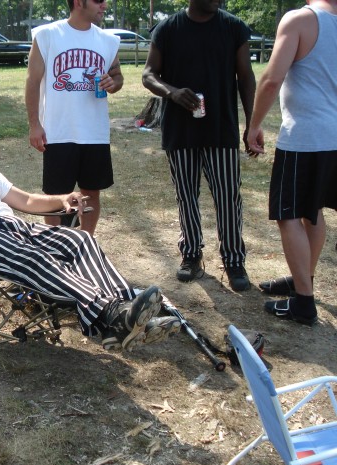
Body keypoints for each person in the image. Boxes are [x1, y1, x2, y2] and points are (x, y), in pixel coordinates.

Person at [0, 113, 181, 352]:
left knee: (79, 239)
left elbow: (28, 201)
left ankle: (126, 312)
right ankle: (111, 315)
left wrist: (62, 200)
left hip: (15, 227)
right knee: (35, 258)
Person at [141, 0, 256, 292]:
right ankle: (191, 254)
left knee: (228, 195)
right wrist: (172, 92)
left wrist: (252, 125)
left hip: (221, 127)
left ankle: (233, 259)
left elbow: (245, 77)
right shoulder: (168, 29)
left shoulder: (233, 28)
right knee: (186, 194)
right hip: (180, 130)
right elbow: (149, 74)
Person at [246, 0, 337, 325]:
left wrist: (254, 125)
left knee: (289, 216)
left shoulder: (300, 20)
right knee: (313, 213)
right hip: (333, 138)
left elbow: (271, 79)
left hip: (305, 137)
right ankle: (303, 281)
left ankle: (303, 303)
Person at [25, 0, 123, 236]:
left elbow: (117, 76)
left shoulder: (108, 40)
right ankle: (57, 243)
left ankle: (85, 242)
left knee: (92, 192)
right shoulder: (47, 35)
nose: (105, 5)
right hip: (59, 131)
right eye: (98, 1)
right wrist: (34, 125)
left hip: (94, 132)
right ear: (79, 2)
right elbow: (32, 81)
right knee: (55, 194)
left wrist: (114, 83)